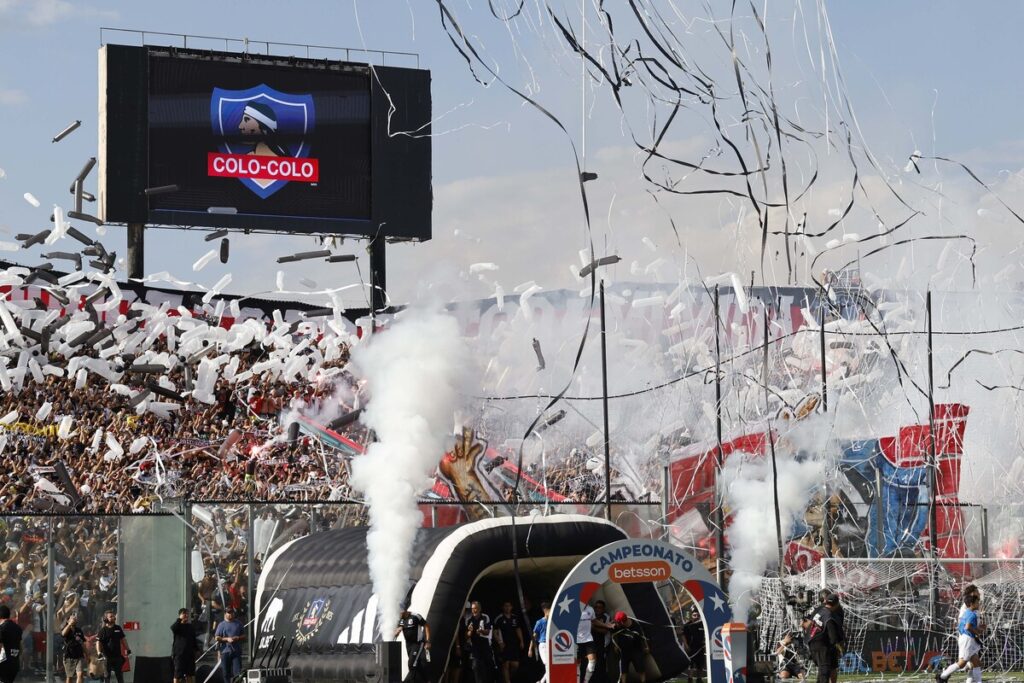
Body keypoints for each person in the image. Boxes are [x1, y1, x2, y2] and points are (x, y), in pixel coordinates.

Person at [937, 592, 984, 683]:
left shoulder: (968, 612)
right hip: (967, 640)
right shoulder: (972, 614)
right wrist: (977, 631)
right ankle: (942, 677)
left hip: (968, 639)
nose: (979, 604)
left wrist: (979, 628)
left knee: (976, 663)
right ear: (971, 604)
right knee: (962, 663)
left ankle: (979, 682)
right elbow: (967, 627)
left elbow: (967, 626)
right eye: (977, 602)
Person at [804, 596, 842, 683]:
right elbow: (833, 636)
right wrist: (837, 645)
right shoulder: (829, 616)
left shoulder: (820, 611)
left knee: (822, 671)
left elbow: (809, 626)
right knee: (825, 671)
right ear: (836, 604)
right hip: (821, 646)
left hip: (812, 643)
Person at [610, 612, 649, 683]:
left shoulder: (635, 625)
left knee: (640, 668)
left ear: (622, 622)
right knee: (623, 670)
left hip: (636, 649)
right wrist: (615, 646)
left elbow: (643, 636)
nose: (616, 623)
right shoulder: (616, 625)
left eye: (618, 622)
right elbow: (613, 634)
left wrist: (646, 647)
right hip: (623, 651)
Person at [395, 608, 432, 683]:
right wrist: (397, 631)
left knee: (411, 663)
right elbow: (398, 630)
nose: (398, 615)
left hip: (418, 643)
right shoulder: (401, 620)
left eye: (399, 613)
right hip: (408, 645)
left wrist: (428, 641)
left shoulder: (415, 616)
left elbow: (426, 625)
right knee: (416, 665)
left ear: (404, 611)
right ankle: (427, 680)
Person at [493, 601, 525, 683]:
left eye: (509, 606)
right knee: (505, 664)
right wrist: (499, 642)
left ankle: (506, 678)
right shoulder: (499, 618)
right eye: (505, 606)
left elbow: (518, 629)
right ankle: (507, 681)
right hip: (504, 644)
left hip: (514, 644)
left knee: (515, 665)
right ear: (503, 607)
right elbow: (494, 632)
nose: (507, 608)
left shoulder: (515, 618)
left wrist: (521, 641)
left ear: (511, 607)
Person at [97, 610, 130, 683]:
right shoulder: (103, 630)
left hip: (117, 657)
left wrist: (128, 649)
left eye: (113, 616)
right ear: (106, 619)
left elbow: (123, 639)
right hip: (107, 657)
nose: (113, 617)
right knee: (107, 676)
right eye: (111, 616)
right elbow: (98, 642)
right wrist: (99, 652)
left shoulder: (118, 628)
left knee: (120, 676)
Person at [464, 602, 494, 683]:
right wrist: (470, 631)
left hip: (485, 645)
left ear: (480, 609)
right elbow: (466, 636)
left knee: (487, 666)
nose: (474, 610)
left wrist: (481, 631)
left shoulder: (485, 617)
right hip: (475, 647)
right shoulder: (469, 620)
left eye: (475, 608)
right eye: (472, 609)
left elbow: (487, 631)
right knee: (476, 666)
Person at [214, 607, 244, 682]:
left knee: (237, 673)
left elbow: (244, 636)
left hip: (236, 651)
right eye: (229, 613)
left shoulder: (238, 623)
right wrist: (227, 639)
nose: (230, 614)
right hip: (225, 652)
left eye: (232, 612)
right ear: (225, 614)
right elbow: (217, 637)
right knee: (226, 673)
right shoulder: (221, 625)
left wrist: (238, 638)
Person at [171, 608, 198, 683]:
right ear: (180, 615)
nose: (186, 615)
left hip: (189, 655)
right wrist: (179, 620)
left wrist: (196, 649)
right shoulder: (177, 626)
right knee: (177, 675)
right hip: (179, 655)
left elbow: (193, 640)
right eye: (184, 613)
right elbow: (173, 628)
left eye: (187, 613)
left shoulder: (190, 627)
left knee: (189, 674)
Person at [681, 608, 705, 683]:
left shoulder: (703, 624)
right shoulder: (687, 625)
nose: (696, 616)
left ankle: (699, 679)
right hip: (691, 648)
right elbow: (683, 635)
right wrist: (686, 645)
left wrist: (705, 643)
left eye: (698, 615)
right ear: (691, 615)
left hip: (700, 648)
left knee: (700, 665)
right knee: (691, 665)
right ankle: (690, 679)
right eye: (694, 615)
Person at [528, 603, 551, 683]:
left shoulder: (553, 622)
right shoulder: (540, 622)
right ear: (544, 610)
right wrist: (530, 649)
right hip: (543, 645)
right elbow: (534, 637)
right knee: (547, 665)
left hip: (551, 645)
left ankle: (542, 681)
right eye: (548, 610)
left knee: (550, 666)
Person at [591, 601, 613, 683]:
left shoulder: (606, 617)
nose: (597, 609)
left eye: (599, 607)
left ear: (603, 609)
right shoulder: (591, 616)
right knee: (592, 663)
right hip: (591, 643)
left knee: (601, 663)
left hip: (602, 644)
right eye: (596, 607)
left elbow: (605, 631)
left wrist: (593, 628)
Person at [61, 613, 86, 683]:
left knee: (80, 674)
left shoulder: (79, 630)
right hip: (69, 655)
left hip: (79, 655)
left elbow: (82, 642)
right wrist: (69, 624)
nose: (74, 619)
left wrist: (87, 654)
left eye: (75, 619)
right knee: (69, 677)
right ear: (68, 620)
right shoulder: (66, 628)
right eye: (72, 618)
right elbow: (63, 634)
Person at [0, 605, 22, 683]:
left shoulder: (1, 628)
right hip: (14, 663)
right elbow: (20, 646)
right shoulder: (17, 628)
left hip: (3, 664)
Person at [577, 601, 598, 683]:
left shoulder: (590, 609)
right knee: (577, 664)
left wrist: (607, 625)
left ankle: (586, 681)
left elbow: (594, 621)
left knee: (592, 662)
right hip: (576, 640)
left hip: (588, 639)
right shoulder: (573, 608)